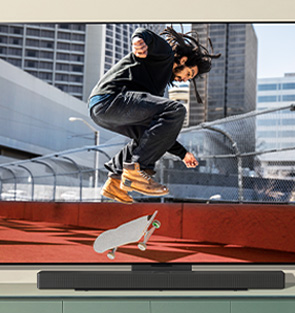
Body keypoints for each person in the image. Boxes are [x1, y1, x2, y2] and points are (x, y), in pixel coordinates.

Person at [88, 26, 220, 203]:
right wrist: (138, 42)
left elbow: (159, 134)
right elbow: (145, 34)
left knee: (145, 136)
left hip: (103, 110)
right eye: (189, 73)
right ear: (183, 60)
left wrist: (183, 154)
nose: (186, 80)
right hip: (110, 99)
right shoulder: (165, 55)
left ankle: (115, 182)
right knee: (177, 109)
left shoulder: (158, 85)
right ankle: (137, 169)